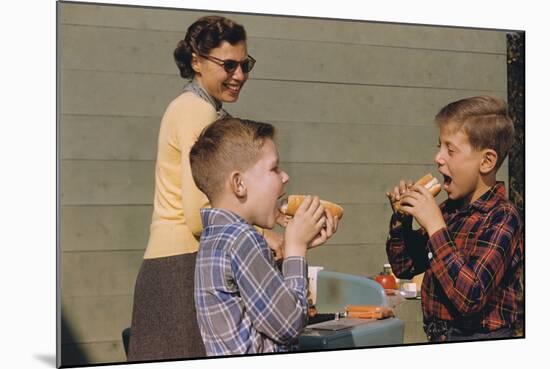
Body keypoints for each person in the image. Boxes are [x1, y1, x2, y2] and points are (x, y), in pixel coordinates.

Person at [128, 15, 282, 361]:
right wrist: (263, 236)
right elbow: (200, 216)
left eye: (245, 65)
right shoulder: (196, 111)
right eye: (228, 65)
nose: (239, 76)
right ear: (196, 61)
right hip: (179, 268)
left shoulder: (199, 108)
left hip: (177, 264)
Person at [189, 117, 339, 355]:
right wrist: (296, 249)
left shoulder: (215, 237)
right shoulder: (243, 239)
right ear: (239, 184)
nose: (285, 176)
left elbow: (262, 314)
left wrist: (296, 247)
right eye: (274, 168)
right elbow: (289, 324)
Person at [385, 96, 524, 342]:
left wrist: (435, 226)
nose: (438, 158)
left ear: (486, 161)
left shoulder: (502, 217)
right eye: (439, 146)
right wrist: (402, 220)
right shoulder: (449, 210)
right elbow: (405, 266)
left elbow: (470, 296)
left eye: (450, 150)